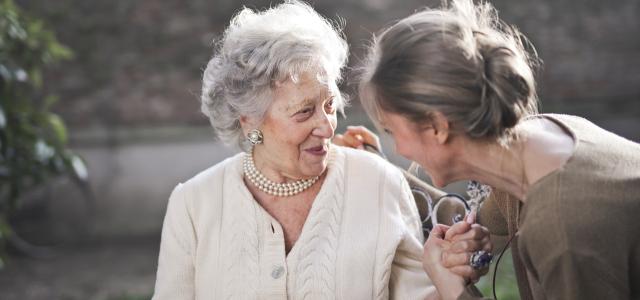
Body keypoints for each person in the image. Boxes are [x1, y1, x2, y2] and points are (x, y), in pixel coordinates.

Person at [151, 1, 492, 299]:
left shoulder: (378, 184)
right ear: (249, 121)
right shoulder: (194, 205)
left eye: (329, 105)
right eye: (304, 112)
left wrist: (450, 270)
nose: (328, 126)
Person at [348, 0, 640, 299]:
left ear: (437, 126)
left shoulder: (562, 230)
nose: (398, 147)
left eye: (391, 131)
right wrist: (373, 167)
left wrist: (451, 287)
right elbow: (467, 221)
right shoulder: (539, 141)